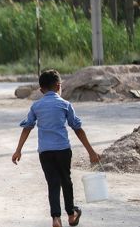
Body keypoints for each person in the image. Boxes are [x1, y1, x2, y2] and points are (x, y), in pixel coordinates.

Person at [11, 69, 101, 227]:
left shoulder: (36, 106)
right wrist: (91, 152)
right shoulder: (65, 105)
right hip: (63, 150)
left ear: (41, 90)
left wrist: (18, 150)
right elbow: (77, 129)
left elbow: (27, 128)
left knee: (53, 183)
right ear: (59, 86)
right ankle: (71, 214)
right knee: (66, 181)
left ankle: (56, 218)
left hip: (45, 152)